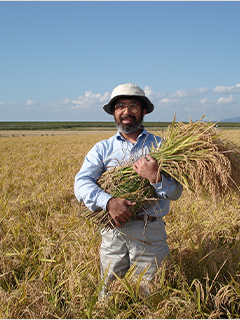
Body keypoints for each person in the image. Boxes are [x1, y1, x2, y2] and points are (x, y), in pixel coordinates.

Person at [74, 83, 183, 297]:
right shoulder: (102, 149)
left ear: (143, 111)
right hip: (113, 231)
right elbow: (81, 182)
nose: (126, 112)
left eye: (133, 106)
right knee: (109, 293)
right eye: (120, 106)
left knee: (150, 295)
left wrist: (155, 177)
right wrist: (108, 202)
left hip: (149, 231)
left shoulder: (163, 148)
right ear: (114, 113)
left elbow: (176, 192)